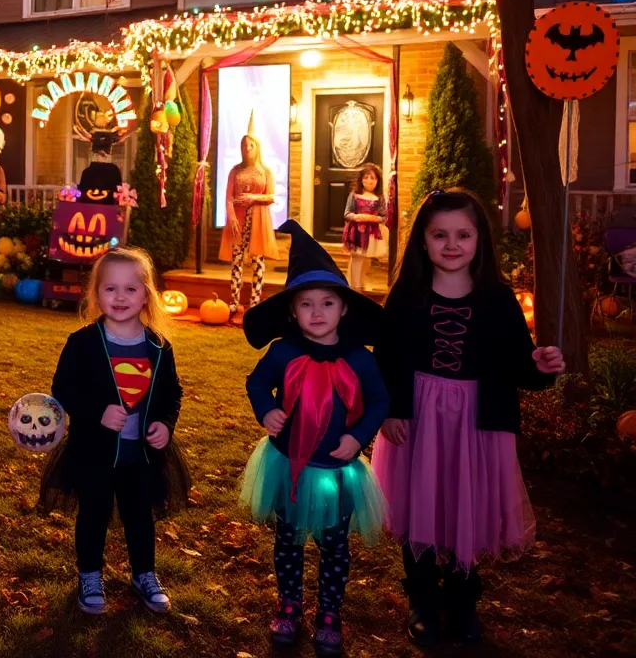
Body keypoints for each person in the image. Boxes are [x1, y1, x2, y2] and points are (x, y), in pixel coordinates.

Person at [372, 189, 565, 646]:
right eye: (440, 235)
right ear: (422, 240)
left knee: (464, 506)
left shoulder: (498, 300)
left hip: (476, 424)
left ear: (480, 240)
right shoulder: (406, 296)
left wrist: (540, 365)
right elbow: (386, 360)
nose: (451, 244)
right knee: (419, 503)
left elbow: (519, 368)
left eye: (463, 234)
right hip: (418, 420)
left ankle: (461, 603)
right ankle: (422, 600)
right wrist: (392, 409)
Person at [240, 219, 389, 656]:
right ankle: (289, 604)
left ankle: (330, 612)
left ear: (345, 309)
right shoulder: (283, 351)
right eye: (307, 304)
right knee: (287, 540)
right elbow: (256, 383)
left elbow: (380, 401)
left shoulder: (359, 359)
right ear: (292, 312)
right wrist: (266, 409)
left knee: (334, 545)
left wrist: (359, 436)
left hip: (338, 469)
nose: (318, 312)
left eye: (328, 303)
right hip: (287, 465)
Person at [39, 247, 191, 616]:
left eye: (130, 289)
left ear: (147, 294)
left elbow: (172, 393)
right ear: (95, 293)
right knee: (93, 513)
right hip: (95, 452)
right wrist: (96, 412)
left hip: (141, 454)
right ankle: (89, 574)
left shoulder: (158, 347)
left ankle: (144, 574)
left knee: (140, 515)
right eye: (110, 289)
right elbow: (63, 389)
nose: (120, 298)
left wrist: (165, 425)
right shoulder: (84, 343)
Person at [219, 112, 280, 324]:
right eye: (245, 146)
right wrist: (232, 217)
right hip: (238, 222)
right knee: (236, 262)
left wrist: (254, 197)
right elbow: (228, 197)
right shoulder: (235, 171)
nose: (248, 149)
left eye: (251, 145)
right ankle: (234, 303)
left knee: (257, 262)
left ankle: (254, 303)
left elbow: (272, 196)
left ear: (257, 147)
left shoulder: (266, 171)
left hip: (257, 222)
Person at [342, 163, 387, 291]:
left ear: (378, 181)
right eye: (366, 177)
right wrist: (358, 217)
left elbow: (384, 216)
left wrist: (375, 219)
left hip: (371, 232)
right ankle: (355, 287)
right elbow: (347, 214)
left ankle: (362, 282)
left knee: (366, 259)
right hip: (357, 232)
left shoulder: (379, 198)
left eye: (373, 178)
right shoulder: (355, 195)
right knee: (357, 257)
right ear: (361, 180)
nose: (369, 181)